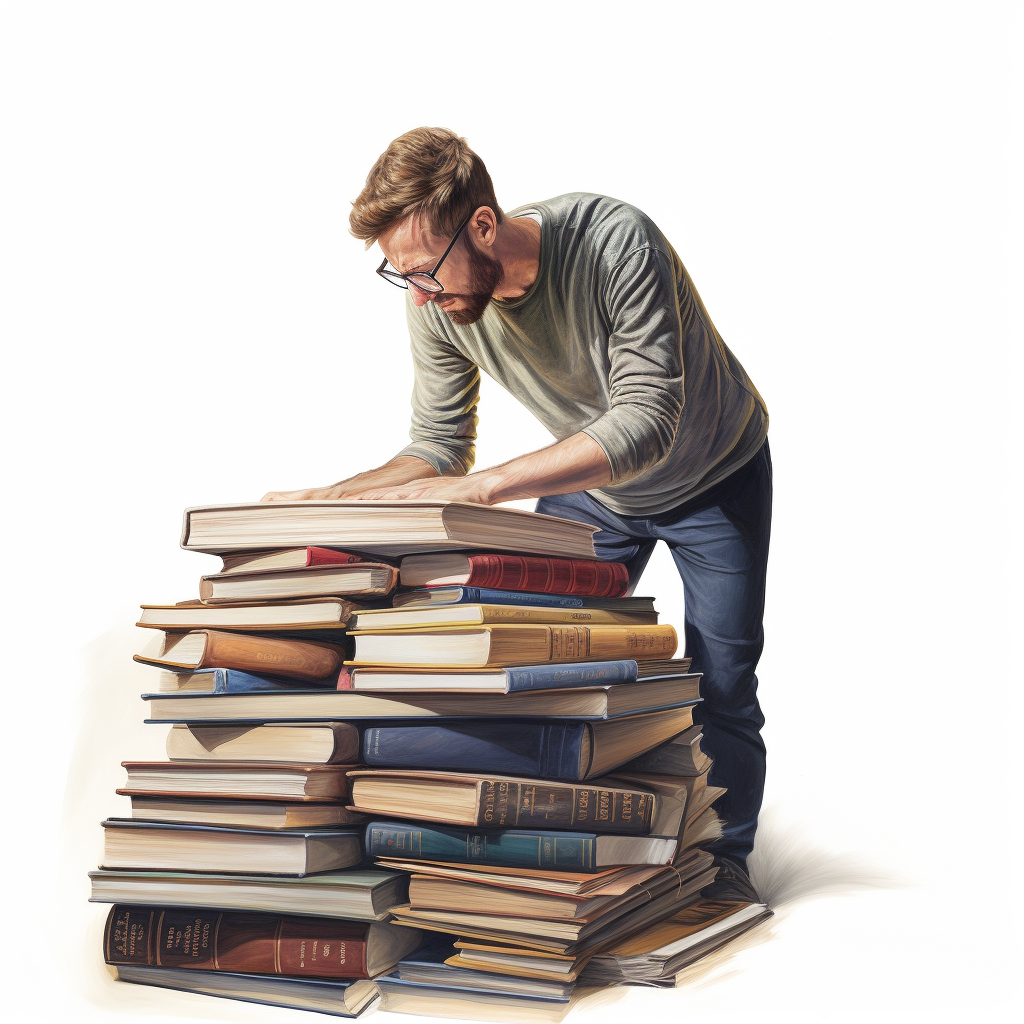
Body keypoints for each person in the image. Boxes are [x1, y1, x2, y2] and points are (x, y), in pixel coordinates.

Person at [263, 127, 771, 900]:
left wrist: (483, 488)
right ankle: (581, 839)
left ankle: (724, 857)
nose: (422, 294)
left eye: (426, 271)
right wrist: (331, 498)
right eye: (400, 277)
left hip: (714, 474)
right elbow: (436, 447)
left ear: (484, 225)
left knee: (722, 682)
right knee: (537, 665)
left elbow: (647, 419)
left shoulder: (613, 242)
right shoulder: (434, 299)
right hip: (595, 488)